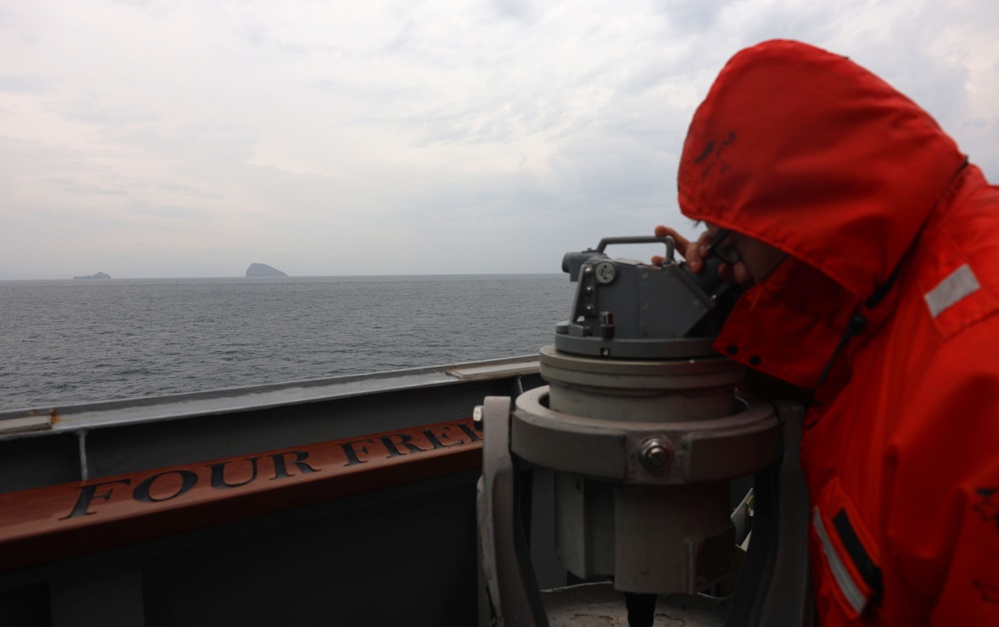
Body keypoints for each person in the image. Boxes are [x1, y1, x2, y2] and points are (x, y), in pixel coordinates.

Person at [657, 40, 999, 626]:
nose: (728, 256)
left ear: (793, 214)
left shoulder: (976, 377)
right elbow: (833, 362)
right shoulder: (893, 291)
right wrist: (738, 295)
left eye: (733, 240)